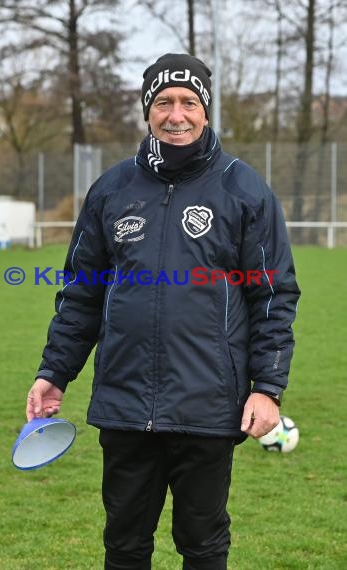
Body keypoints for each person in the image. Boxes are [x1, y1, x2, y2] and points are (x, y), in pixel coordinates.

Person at [26, 53, 301, 570]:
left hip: (208, 406)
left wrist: (267, 388)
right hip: (126, 404)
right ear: (147, 111)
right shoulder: (111, 190)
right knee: (125, 545)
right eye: (164, 102)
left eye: (189, 102)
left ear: (205, 110)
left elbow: (272, 295)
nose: (177, 114)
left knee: (202, 545)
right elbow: (82, 292)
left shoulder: (243, 190)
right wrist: (54, 372)